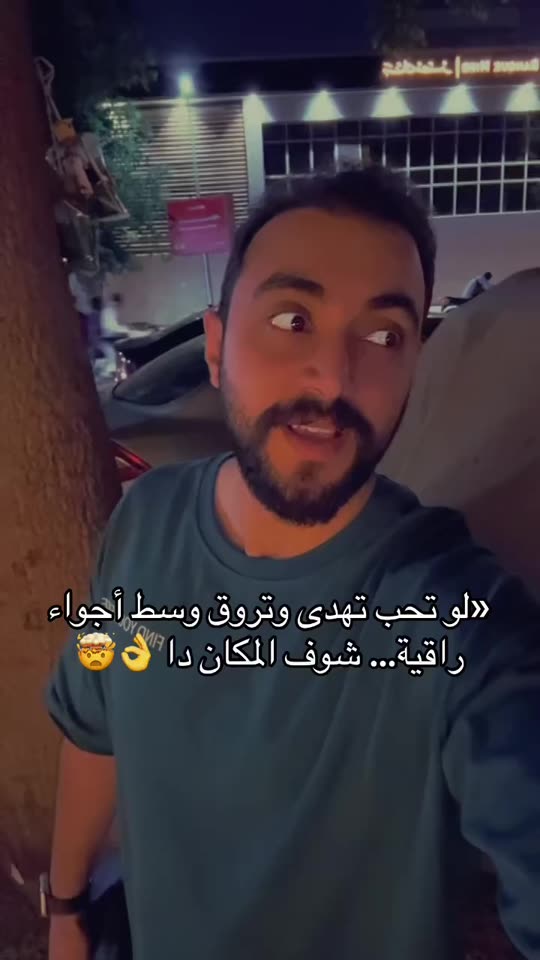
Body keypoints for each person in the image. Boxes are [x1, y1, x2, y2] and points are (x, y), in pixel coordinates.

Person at [45, 167, 540, 960]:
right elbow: (95, 720)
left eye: (384, 335)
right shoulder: (143, 526)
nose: (335, 377)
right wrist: (66, 908)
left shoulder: (453, 616)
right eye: (291, 318)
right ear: (216, 348)